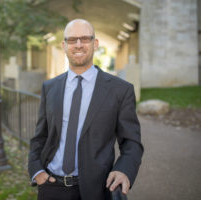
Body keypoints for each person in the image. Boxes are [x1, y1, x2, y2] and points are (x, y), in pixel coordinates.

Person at [28, 19, 144, 200]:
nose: (79, 45)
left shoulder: (121, 90)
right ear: (64, 45)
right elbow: (40, 136)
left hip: (96, 188)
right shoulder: (50, 87)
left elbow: (131, 142)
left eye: (85, 39)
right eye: (72, 40)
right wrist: (36, 170)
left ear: (95, 43)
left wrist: (123, 170)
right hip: (51, 186)